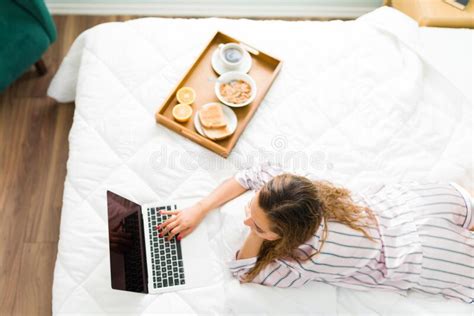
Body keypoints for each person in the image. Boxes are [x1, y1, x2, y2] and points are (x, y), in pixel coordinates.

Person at [156, 161, 473, 303]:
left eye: (257, 224)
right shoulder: (301, 188)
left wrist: (258, 236)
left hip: (419, 255)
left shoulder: (309, 259)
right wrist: (200, 208)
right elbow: (252, 174)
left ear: (287, 236)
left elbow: (244, 270)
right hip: (415, 204)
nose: (246, 223)